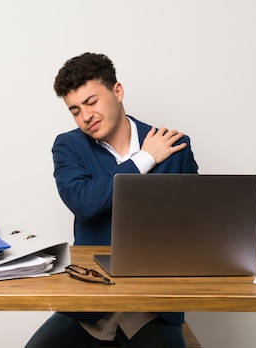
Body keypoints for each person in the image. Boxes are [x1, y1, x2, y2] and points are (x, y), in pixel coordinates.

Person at [25, 53, 198, 348]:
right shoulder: (68, 146)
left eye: (91, 102)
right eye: (75, 110)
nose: (86, 116)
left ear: (117, 91)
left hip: (152, 305)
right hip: (90, 303)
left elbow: (195, 224)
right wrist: (145, 159)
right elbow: (85, 203)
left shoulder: (173, 146)